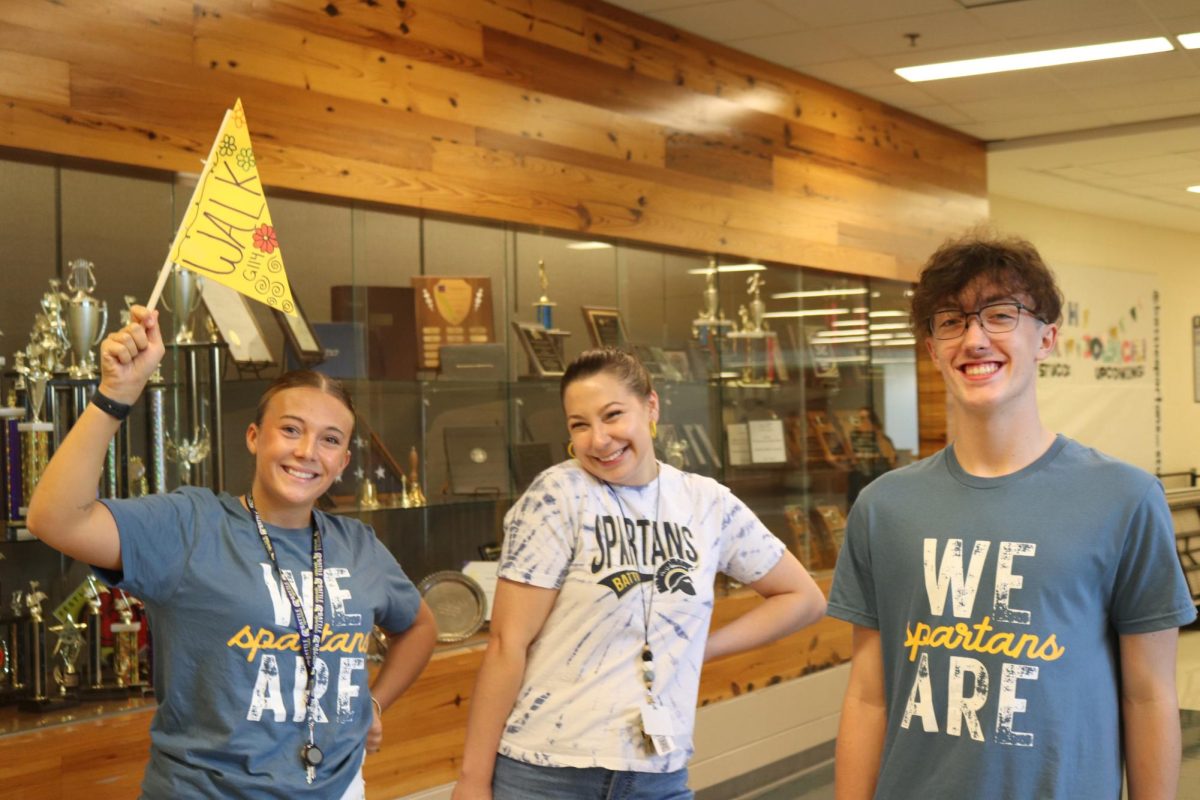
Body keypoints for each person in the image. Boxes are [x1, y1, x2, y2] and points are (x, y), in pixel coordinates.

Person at [828, 231, 1197, 799]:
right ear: (931, 349)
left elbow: (1147, 696)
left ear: (1046, 337)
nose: (974, 339)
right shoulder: (884, 507)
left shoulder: (1124, 499)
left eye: (1000, 315)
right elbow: (868, 696)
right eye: (950, 321)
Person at [26, 306, 437, 799]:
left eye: (330, 440)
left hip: (337, 788)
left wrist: (373, 703)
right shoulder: (192, 525)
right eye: (291, 430)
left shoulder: (358, 545)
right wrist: (116, 396)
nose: (308, 451)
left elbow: (418, 625)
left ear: (344, 461)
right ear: (254, 437)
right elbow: (54, 519)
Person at [452, 347, 826, 800]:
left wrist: (698, 649)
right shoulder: (558, 495)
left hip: (658, 775)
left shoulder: (706, 502)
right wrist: (473, 780)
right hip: (548, 774)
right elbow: (506, 646)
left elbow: (803, 598)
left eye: (612, 415)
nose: (598, 439)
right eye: (580, 425)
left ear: (650, 407)